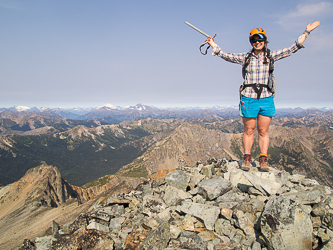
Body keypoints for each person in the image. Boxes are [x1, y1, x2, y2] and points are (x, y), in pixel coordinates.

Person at [206, 21, 320, 172]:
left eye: (260, 39)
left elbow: (293, 48)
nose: (257, 42)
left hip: (266, 97)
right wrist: (213, 44)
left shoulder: (271, 56)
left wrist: (306, 32)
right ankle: (247, 158)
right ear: (251, 42)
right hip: (248, 97)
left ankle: (263, 159)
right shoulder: (245, 57)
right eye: (254, 39)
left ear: (265, 41)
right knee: (249, 130)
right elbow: (226, 55)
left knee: (263, 131)